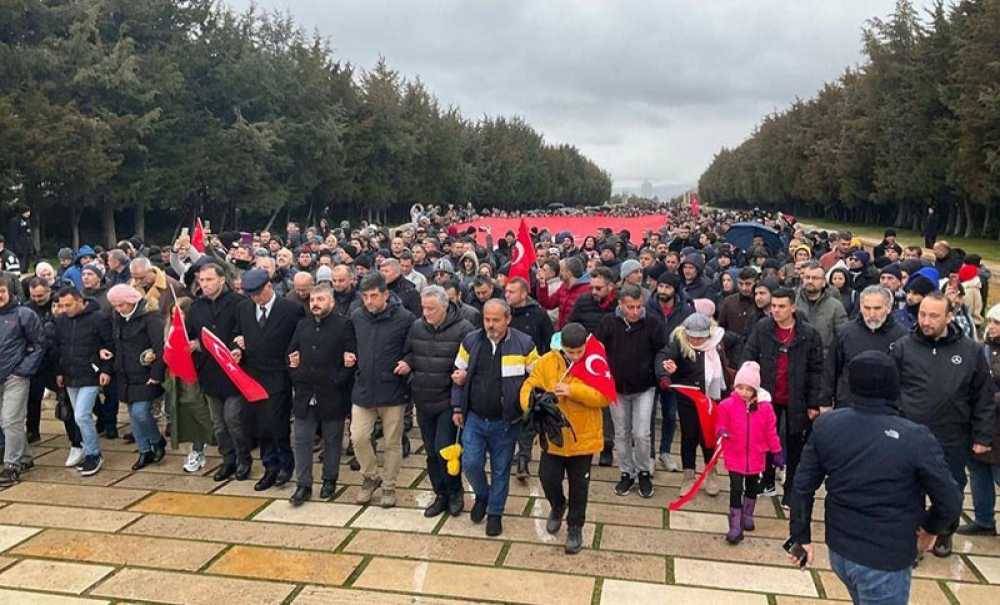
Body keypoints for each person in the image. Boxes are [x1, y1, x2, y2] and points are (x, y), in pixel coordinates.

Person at [788, 351, 961, 605]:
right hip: (885, 558)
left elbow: (802, 487)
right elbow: (950, 500)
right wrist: (931, 528)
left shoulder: (827, 425)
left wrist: (800, 538)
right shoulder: (915, 437)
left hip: (840, 550)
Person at [891, 292, 994, 557]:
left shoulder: (970, 351)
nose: (926, 321)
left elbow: (983, 396)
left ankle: (944, 532)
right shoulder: (903, 346)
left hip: (951, 435)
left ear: (949, 316)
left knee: (950, 487)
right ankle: (909, 543)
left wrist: (983, 436)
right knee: (907, 489)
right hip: (909, 433)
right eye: (923, 314)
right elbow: (891, 389)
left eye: (934, 316)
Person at [520, 322, 610, 554]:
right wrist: (532, 401)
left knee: (580, 486)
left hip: (583, 437)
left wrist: (574, 391)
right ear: (562, 348)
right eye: (571, 352)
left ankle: (575, 526)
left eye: (580, 351)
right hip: (554, 435)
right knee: (547, 477)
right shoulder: (548, 362)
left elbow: (604, 396)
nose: (576, 356)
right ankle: (558, 505)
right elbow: (530, 385)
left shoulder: (595, 362)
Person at [452, 298, 538, 536]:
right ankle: (482, 495)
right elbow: (458, 375)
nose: (490, 324)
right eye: (486, 319)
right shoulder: (471, 341)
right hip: (475, 418)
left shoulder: (524, 343)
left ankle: (495, 512)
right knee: (470, 463)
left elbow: (537, 378)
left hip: (506, 422)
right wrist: (457, 407)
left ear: (508, 319)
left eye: (495, 320)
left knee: (501, 469)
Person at [742, 287, 825, 507]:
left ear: (793, 308)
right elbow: (749, 354)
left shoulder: (808, 334)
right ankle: (766, 479)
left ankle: (790, 489)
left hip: (796, 397)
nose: (776, 311)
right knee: (765, 440)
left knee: (795, 443)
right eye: (773, 306)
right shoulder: (763, 328)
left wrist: (814, 402)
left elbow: (816, 370)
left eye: (781, 306)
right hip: (767, 395)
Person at [403, 286, 474, 517]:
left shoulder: (464, 329)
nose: (426, 313)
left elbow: (471, 364)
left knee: (446, 449)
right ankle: (440, 493)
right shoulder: (416, 326)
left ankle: (455, 492)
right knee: (431, 453)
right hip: (423, 399)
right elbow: (410, 353)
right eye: (424, 308)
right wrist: (409, 368)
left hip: (447, 400)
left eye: (431, 309)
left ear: (445, 306)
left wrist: (459, 388)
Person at [231, 268, 303, 491]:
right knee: (259, 425)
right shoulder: (244, 308)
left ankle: (285, 465)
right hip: (252, 375)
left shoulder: (290, 309)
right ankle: (269, 466)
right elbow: (238, 333)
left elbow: (299, 338)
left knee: (277, 423)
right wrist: (237, 346)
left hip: (278, 374)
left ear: (269, 287)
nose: (255, 298)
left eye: (258, 293)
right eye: (250, 294)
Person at [286, 284, 356, 506]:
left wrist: (337, 380)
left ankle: (329, 480)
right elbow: (291, 353)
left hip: (332, 394)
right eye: (313, 300)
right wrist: (296, 372)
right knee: (301, 440)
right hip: (305, 392)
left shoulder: (344, 325)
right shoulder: (302, 324)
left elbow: (351, 358)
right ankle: (303, 484)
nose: (315, 303)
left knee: (333, 441)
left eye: (321, 299)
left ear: (331, 302)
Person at [350, 271, 414, 508]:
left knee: (392, 443)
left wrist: (408, 361)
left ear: (385, 294)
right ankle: (370, 477)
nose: (369, 301)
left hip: (393, 390)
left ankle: (389, 485)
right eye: (365, 296)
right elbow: (349, 343)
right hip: (364, 388)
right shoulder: (357, 316)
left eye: (374, 296)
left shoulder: (405, 318)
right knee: (358, 437)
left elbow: (414, 346)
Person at [597, 285, 667, 496]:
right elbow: (598, 350)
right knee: (621, 433)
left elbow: (662, 350)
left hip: (645, 386)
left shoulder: (653, 323)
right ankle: (626, 472)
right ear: (621, 305)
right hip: (616, 388)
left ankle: (644, 471)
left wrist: (662, 373)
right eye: (630, 307)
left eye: (638, 307)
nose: (635, 312)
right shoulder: (608, 323)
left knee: (642, 433)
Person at [655, 312, 730, 496]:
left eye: (700, 338)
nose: (695, 341)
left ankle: (711, 471)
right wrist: (665, 375)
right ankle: (688, 475)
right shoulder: (679, 343)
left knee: (709, 437)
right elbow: (663, 358)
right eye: (692, 338)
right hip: (688, 399)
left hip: (712, 398)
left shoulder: (718, 343)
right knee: (689, 436)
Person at [186, 263, 248, 482]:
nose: (204, 284)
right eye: (201, 281)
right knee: (218, 424)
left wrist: (238, 347)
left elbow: (244, 332)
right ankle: (228, 460)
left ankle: (243, 459)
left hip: (233, 372)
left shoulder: (239, 303)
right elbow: (191, 334)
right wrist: (192, 344)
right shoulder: (196, 306)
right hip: (209, 372)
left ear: (222, 280)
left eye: (209, 280)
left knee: (233, 419)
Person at [716, 361, 782, 544]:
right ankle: (735, 523)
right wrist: (722, 431)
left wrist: (776, 451)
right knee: (736, 487)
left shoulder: (766, 409)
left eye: (748, 389)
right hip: (734, 453)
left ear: (755, 390)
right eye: (740, 387)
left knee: (753, 487)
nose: (743, 392)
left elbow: (771, 431)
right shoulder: (727, 405)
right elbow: (720, 423)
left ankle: (748, 514)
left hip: (756, 455)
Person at [53, 286, 113, 476]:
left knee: (81, 415)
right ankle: (88, 450)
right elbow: (60, 347)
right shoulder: (62, 320)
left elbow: (109, 345)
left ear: (80, 301)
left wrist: (105, 369)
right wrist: (59, 372)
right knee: (80, 416)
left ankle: (94, 454)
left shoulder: (98, 318)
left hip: (90, 373)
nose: (64, 309)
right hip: (71, 374)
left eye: (68, 305)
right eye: (61, 305)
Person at [107, 284, 167, 471]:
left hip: (145, 374)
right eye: (115, 306)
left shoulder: (151, 318)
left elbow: (160, 348)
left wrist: (156, 375)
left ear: (132, 301)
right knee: (133, 415)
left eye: (121, 305)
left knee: (141, 412)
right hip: (125, 373)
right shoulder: (118, 317)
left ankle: (157, 441)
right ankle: (144, 450)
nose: (118, 309)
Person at [825, 286, 907, 408]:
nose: (872, 314)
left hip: (887, 408)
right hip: (849, 405)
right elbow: (830, 369)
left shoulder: (902, 336)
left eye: (877, 308)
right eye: (867, 308)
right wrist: (824, 401)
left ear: (888, 308)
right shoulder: (844, 333)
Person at [960, 303, 1000, 536]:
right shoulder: (981, 350)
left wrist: (987, 398)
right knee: (978, 471)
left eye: (998, 323)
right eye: (991, 322)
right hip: (979, 422)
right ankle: (984, 519)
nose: (992, 327)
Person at [795, 262, 847, 357]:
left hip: (824, 360)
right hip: (797, 357)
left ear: (823, 282)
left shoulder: (835, 306)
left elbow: (842, 336)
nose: (810, 281)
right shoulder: (793, 302)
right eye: (807, 277)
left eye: (815, 278)